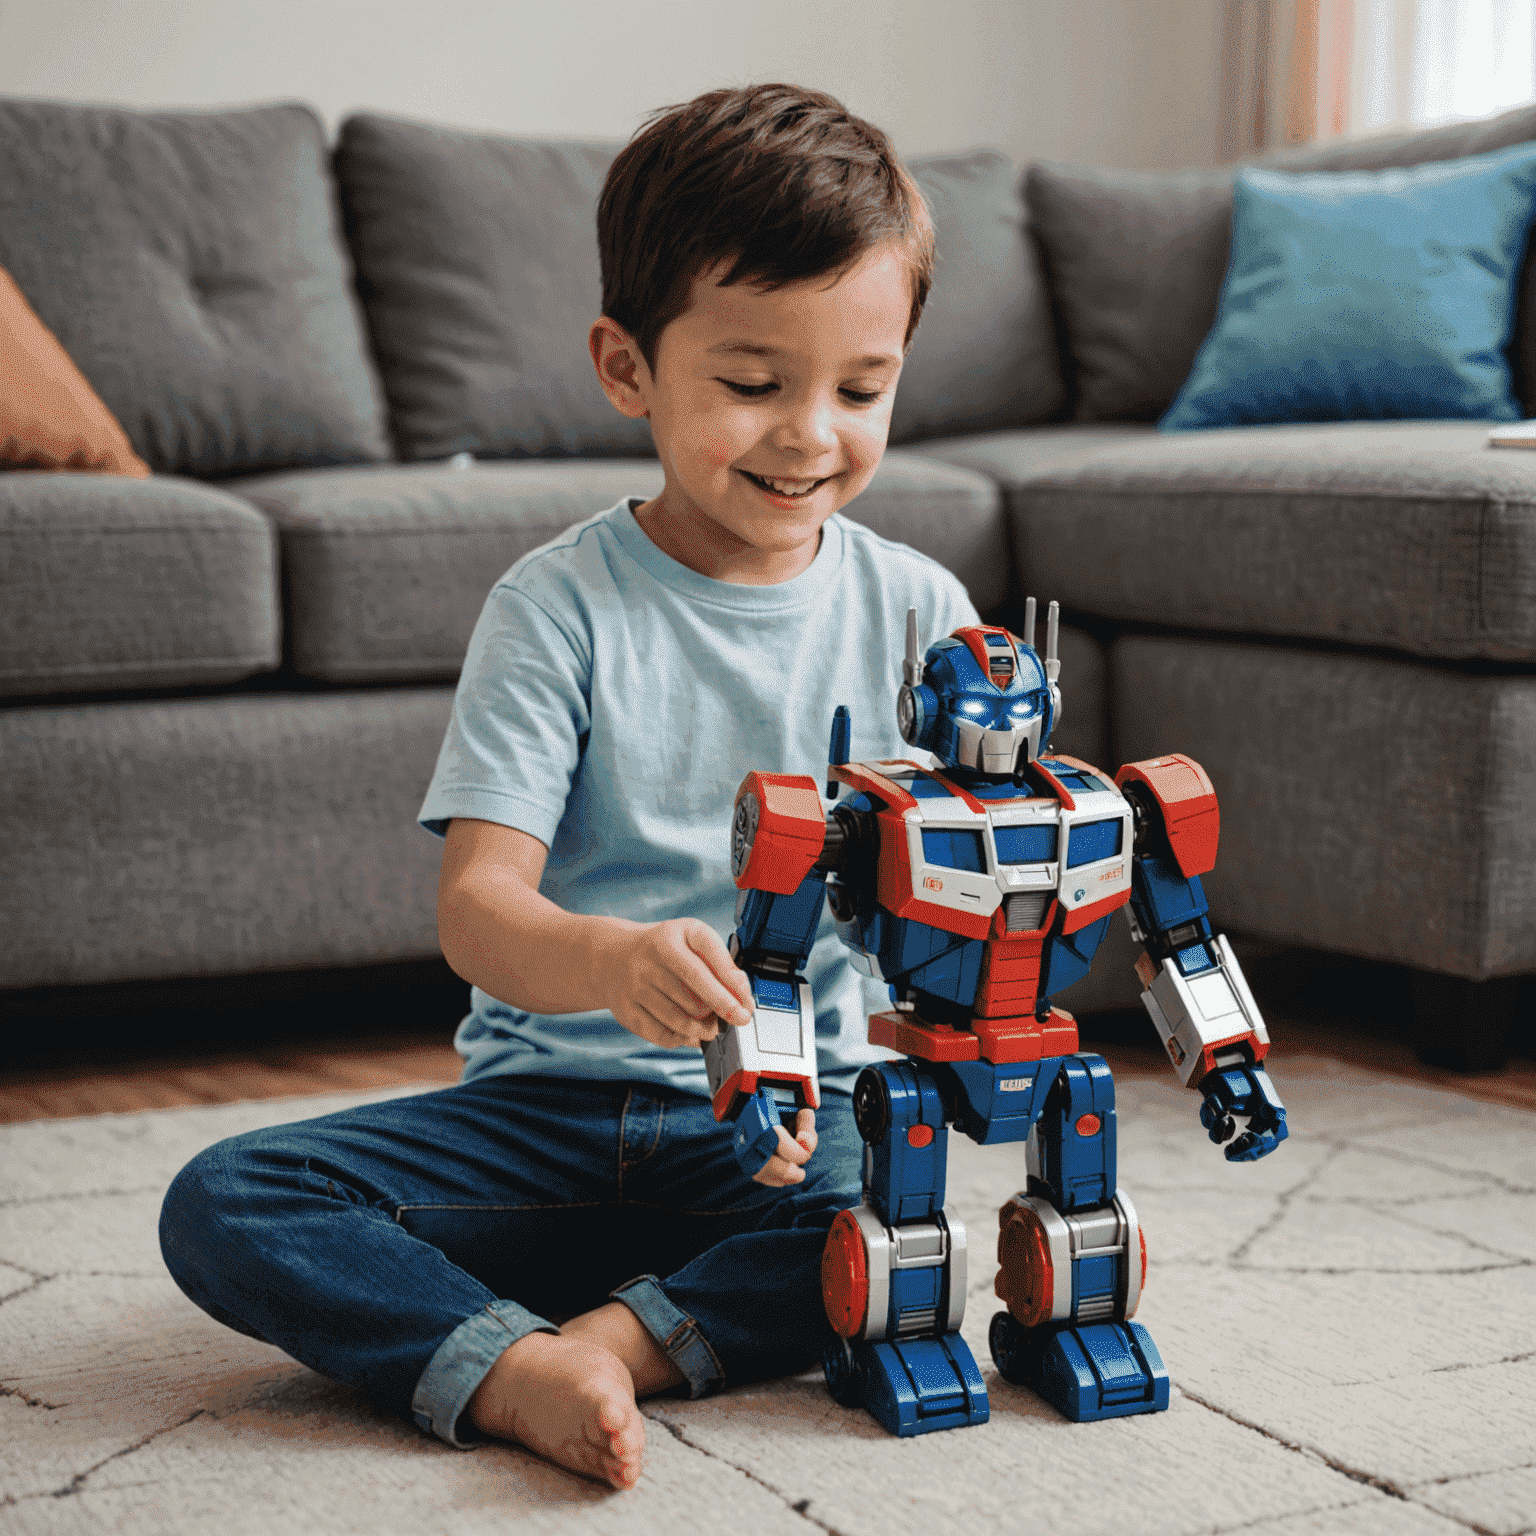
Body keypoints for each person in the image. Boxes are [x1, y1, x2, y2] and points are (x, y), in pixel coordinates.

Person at [159, 82, 979, 1492]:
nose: (809, 435)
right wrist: (607, 961)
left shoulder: (927, 618)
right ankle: (520, 1360)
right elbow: (479, 908)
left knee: (908, 1239)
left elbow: (955, 903)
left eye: (861, 389)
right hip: (548, 1120)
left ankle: (604, 1343)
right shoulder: (557, 608)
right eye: (750, 383)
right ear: (626, 367)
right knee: (228, 1201)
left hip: (776, 1140)